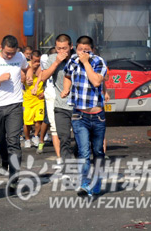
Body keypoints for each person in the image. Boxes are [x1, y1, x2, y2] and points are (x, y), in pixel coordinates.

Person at [61, 35, 107, 196]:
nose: (82, 53)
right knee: (84, 151)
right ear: (76, 49)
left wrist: (86, 62)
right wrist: (66, 88)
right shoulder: (72, 60)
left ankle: (98, 180)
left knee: (98, 151)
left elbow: (96, 81)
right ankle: (84, 183)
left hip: (98, 116)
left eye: (86, 51)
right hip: (79, 116)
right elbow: (67, 76)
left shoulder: (98, 62)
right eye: (80, 50)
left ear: (92, 50)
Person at [0, 35, 29, 189]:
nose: (10, 56)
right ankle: (5, 159)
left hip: (15, 105)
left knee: (13, 142)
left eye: (12, 53)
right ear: (1, 47)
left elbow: (26, 67)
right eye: (7, 53)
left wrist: (28, 76)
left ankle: (14, 176)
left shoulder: (20, 56)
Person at [38, 34, 74, 166]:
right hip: (61, 104)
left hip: (78, 105)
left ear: (71, 47)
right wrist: (57, 62)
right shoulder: (52, 58)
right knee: (63, 137)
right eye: (59, 48)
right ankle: (66, 166)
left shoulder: (77, 58)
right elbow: (43, 76)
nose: (62, 52)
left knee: (81, 138)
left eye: (64, 48)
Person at [22, 50, 44, 149]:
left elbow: (48, 81)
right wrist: (25, 78)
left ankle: (35, 136)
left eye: (39, 61)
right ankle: (27, 139)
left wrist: (44, 93)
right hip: (28, 100)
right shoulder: (25, 68)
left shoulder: (43, 68)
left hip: (39, 99)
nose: (37, 63)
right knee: (27, 122)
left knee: (39, 119)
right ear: (31, 59)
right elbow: (20, 81)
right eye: (35, 61)